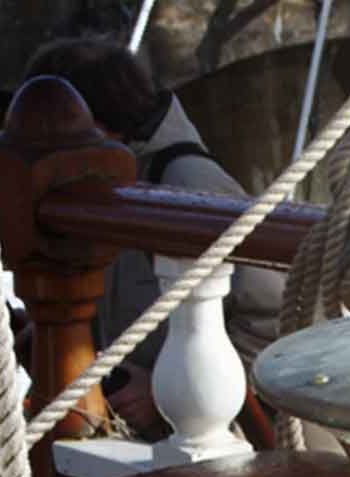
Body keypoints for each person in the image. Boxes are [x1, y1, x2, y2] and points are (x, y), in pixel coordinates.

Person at [22, 38, 285, 439]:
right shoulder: (101, 187)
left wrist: (168, 391)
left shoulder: (187, 184)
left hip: (231, 448)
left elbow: (282, 321)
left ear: (95, 124)